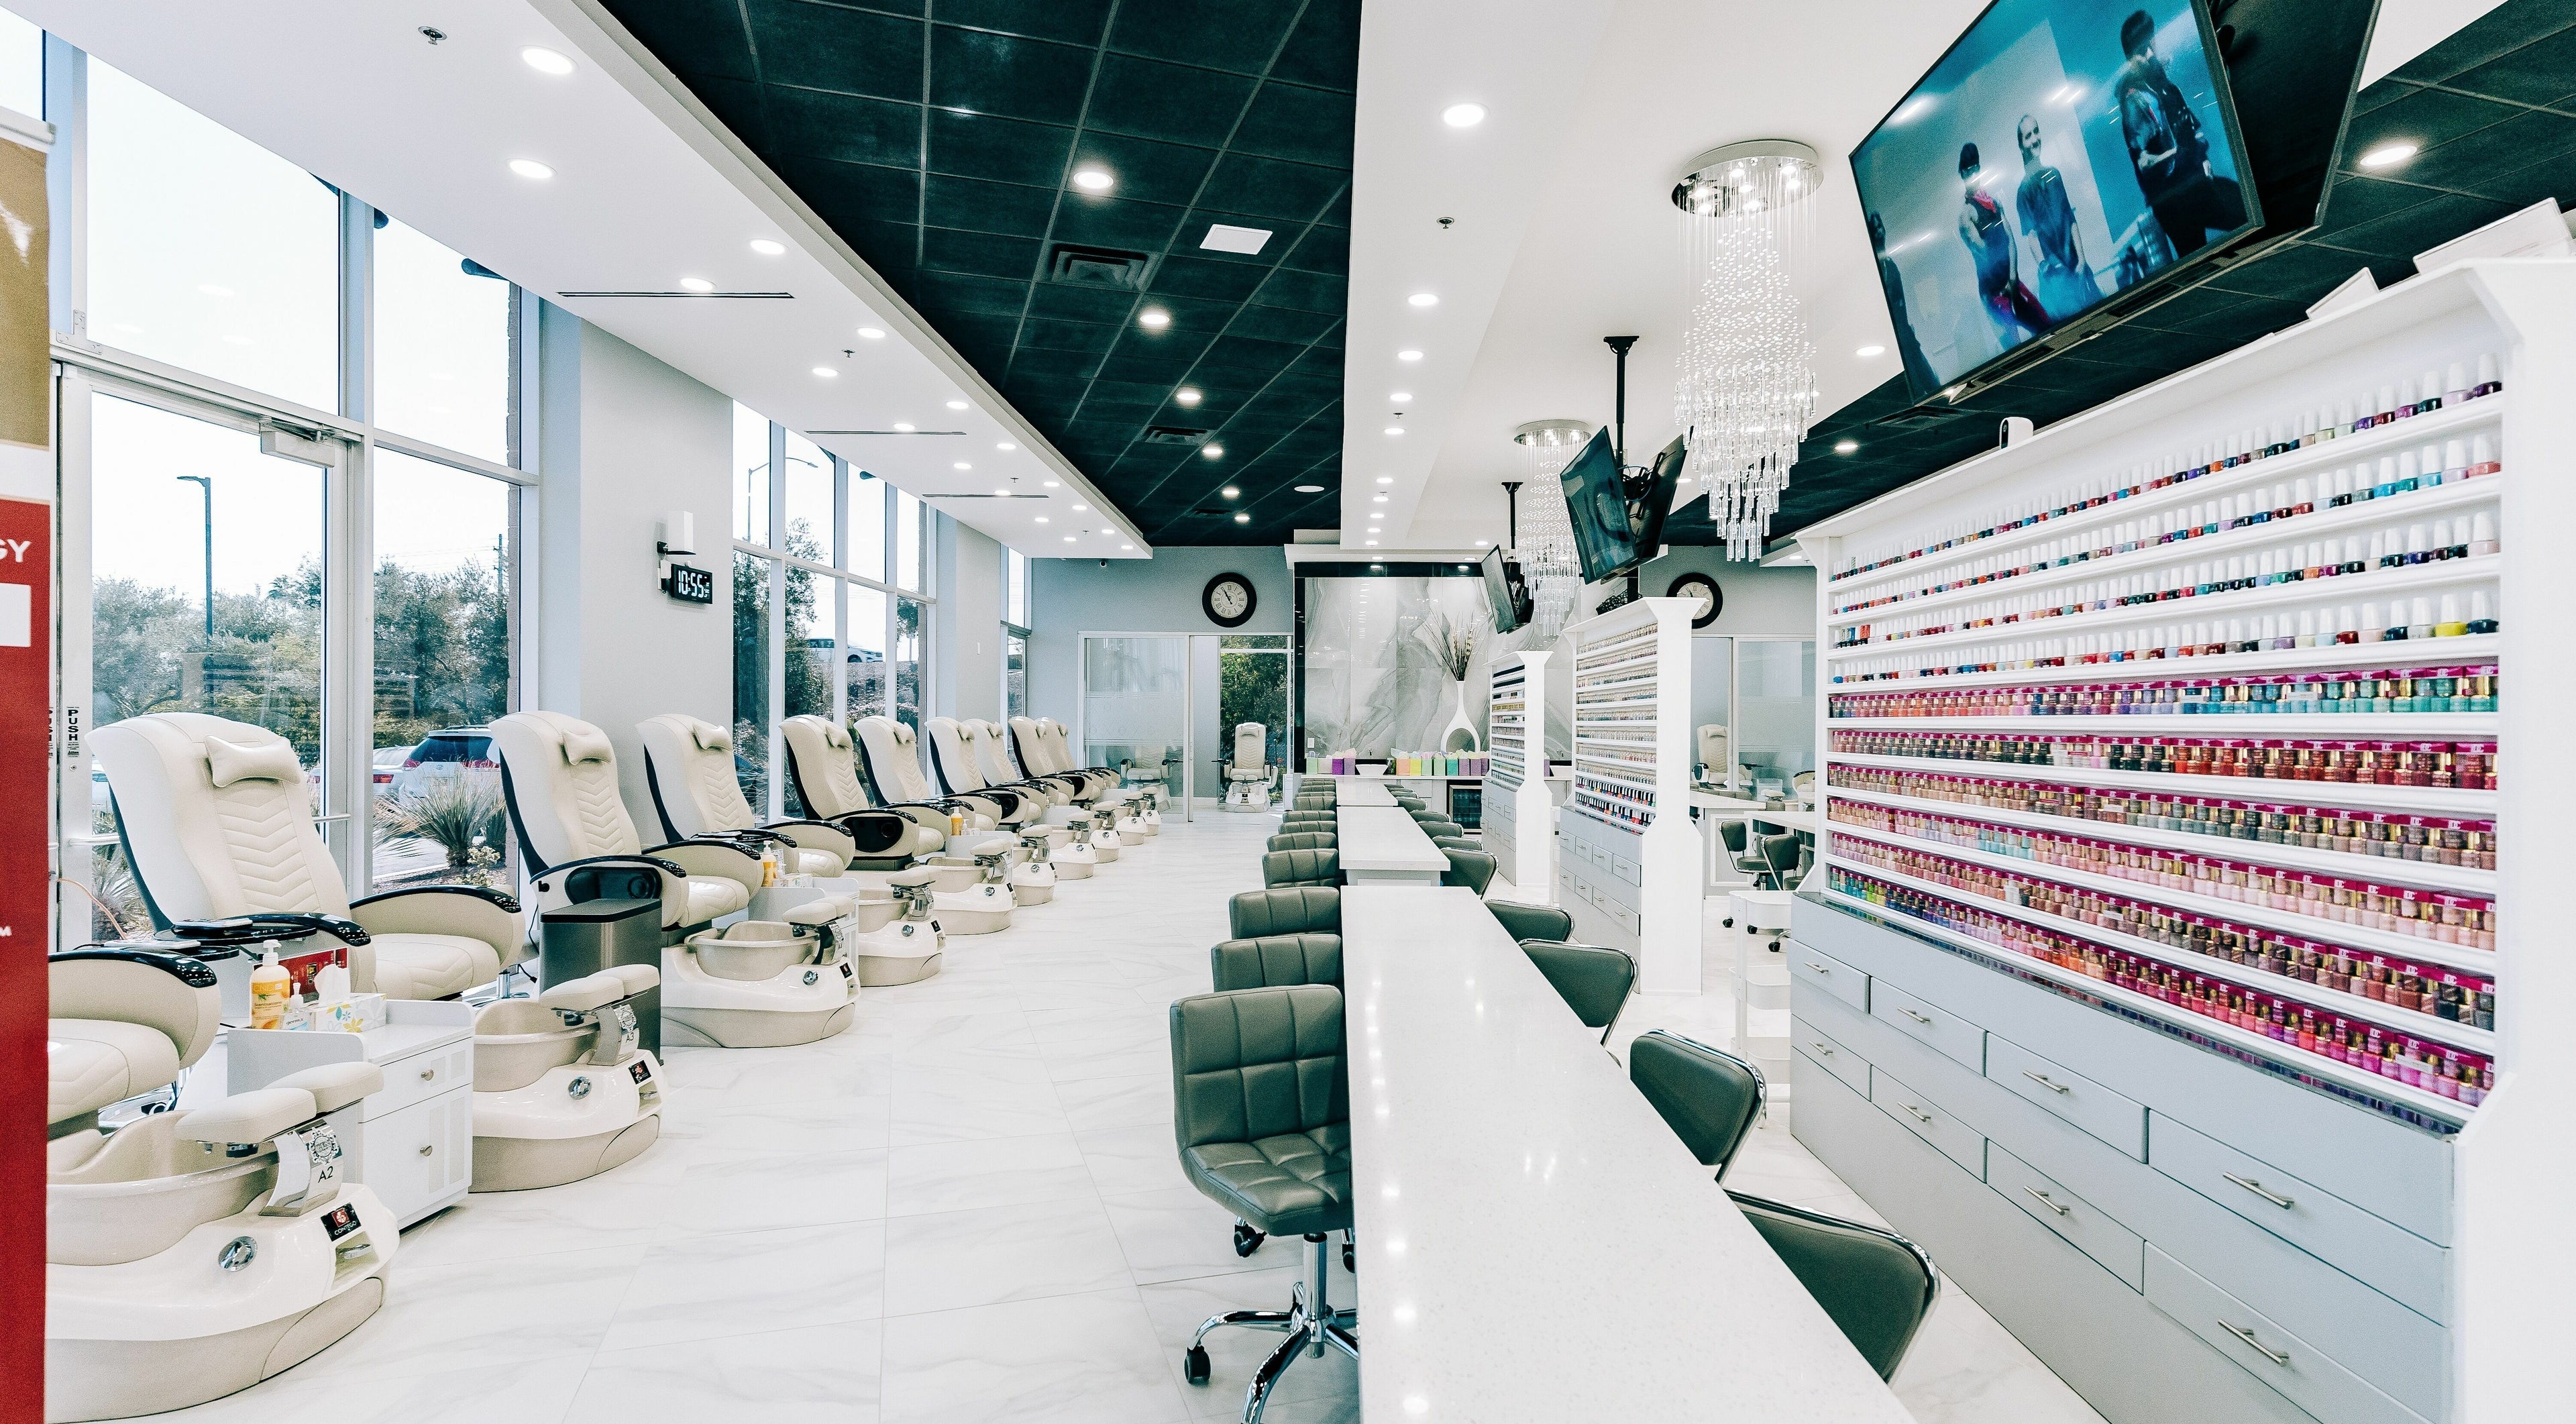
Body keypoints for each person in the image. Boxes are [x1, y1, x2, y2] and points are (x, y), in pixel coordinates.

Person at [2115, 7, 2247, 257]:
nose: (2150, 53)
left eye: (2149, 45)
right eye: (2143, 50)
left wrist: (2202, 159)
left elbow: (2189, 126)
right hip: (2177, 197)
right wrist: (2185, 154)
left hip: (2188, 186)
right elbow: (2146, 163)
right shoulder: (2137, 100)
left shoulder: (2160, 86)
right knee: (2207, 248)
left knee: (2219, 237)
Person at [1956, 142, 2051, 347]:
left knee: (2046, 325)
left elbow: (2010, 240)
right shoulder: (1966, 216)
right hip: (1993, 294)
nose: (1975, 174)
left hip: (2011, 283)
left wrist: (2013, 279)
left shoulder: (1993, 203)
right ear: (1963, 175)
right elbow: (1986, 255)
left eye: (1977, 168)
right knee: (2014, 350)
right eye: (1970, 171)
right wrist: (2008, 282)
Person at [2015, 113, 2102, 321]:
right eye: (2028, 136)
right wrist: (2048, 267)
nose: (2035, 139)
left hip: (2079, 268)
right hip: (2058, 277)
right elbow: (2032, 236)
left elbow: (2070, 219)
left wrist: (2082, 260)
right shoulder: (2024, 191)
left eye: (2036, 132)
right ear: (2021, 145)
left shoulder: (2054, 175)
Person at [1867, 211, 1937, 393]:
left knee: (1931, 386)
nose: (1880, 232)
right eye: (1875, 229)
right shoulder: (1876, 272)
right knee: (1920, 387)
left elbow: (1904, 301)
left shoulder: (1890, 265)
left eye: (1880, 226)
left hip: (1907, 337)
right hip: (1897, 343)